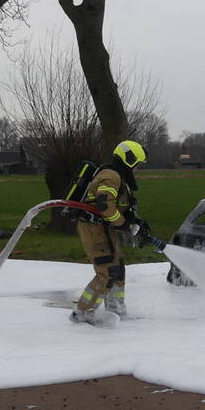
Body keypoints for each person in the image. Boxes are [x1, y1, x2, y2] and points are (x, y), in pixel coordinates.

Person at [70, 140, 149, 328]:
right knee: (107, 271)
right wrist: (124, 225)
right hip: (94, 228)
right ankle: (82, 313)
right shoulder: (111, 176)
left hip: (104, 228)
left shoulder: (118, 176)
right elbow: (105, 205)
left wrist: (133, 221)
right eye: (137, 164)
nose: (138, 168)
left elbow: (118, 206)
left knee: (118, 269)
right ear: (130, 160)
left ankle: (116, 309)